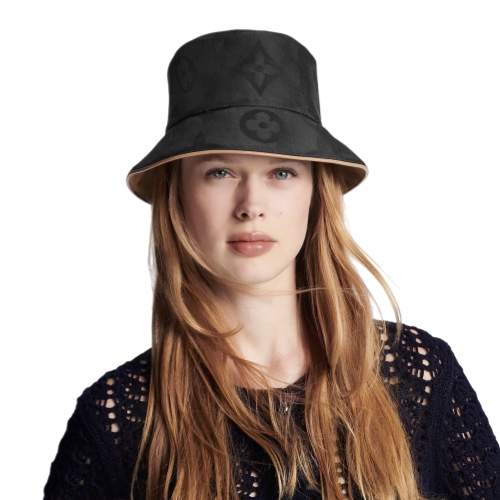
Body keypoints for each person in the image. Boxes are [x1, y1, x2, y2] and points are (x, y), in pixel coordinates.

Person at [43, 29, 500, 500]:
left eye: (282, 172)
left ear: (315, 193)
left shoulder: (419, 376)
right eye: (219, 172)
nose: (251, 205)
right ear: (177, 195)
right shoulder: (117, 419)